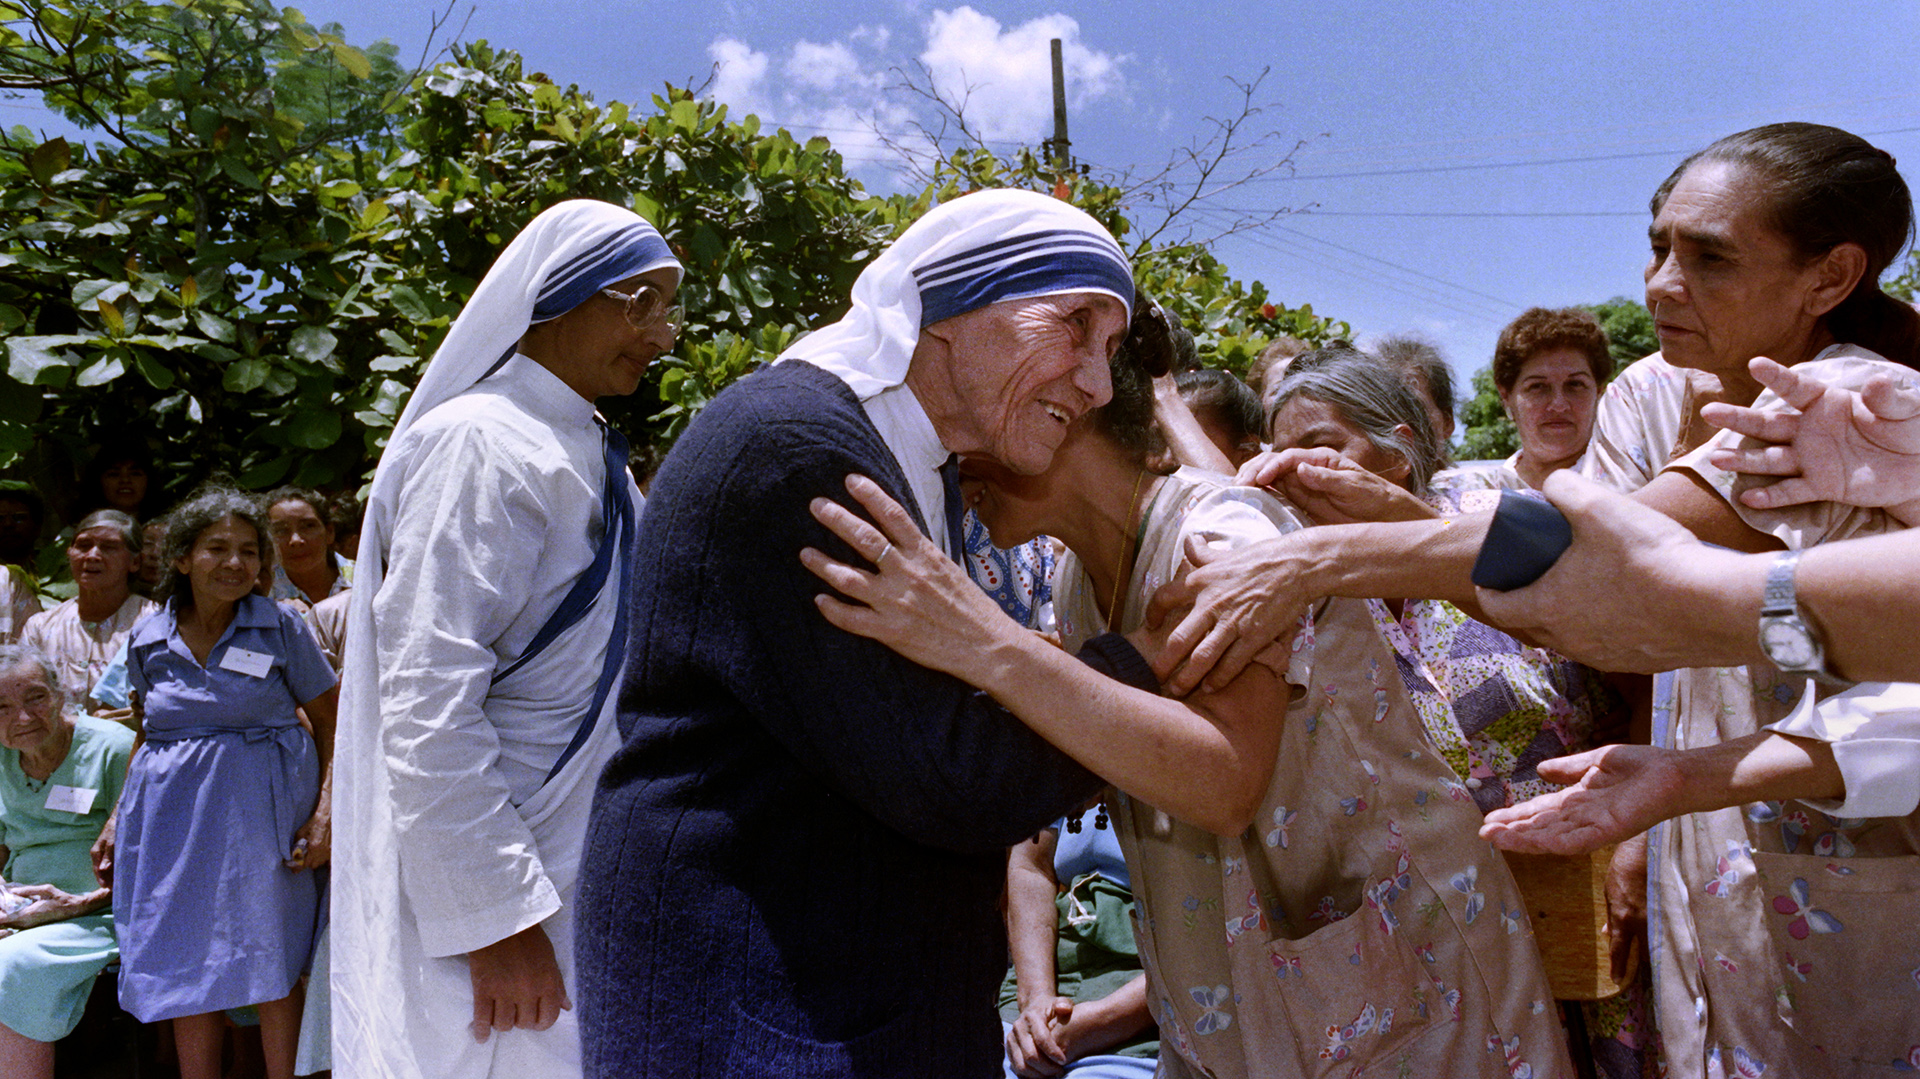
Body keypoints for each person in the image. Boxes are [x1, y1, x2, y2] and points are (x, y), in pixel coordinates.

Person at [1148, 122, 1920, 1078]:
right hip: (1772, 886)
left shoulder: (1830, 408)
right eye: (1658, 245)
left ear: (1831, 276)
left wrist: (1319, 559)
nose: (1660, 285)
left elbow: (1590, 570)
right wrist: (1393, 517)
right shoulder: (1729, 401)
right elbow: (1605, 571)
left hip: (1859, 920)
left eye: (1708, 257)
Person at [803, 343, 1573, 1078]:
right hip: (1235, 1005)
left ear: (1056, 418)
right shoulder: (1077, 587)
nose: (954, 466)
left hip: (1406, 982)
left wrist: (985, 644)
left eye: (965, 434)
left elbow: (1224, 782)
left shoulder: (1221, 531)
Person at [576, 189, 1161, 1078]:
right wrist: (1142, 662)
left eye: (1111, 349)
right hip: (763, 1012)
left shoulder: (890, 456)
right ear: (952, 308)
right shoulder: (797, 448)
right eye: (1075, 325)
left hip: (826, 997)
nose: (1097, 383)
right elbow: (954, 779)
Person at [331, 199, 681, 1079]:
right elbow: (429, 695)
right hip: (501, 898)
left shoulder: (584, 450)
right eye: (641, 302)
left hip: (579, 864)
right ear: (559, 296)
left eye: (669, 310)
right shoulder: (482, 445)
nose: (661, 334)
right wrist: (496, 920)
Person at [108, 486, 338, 1079]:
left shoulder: (282, 626)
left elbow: (336, 719)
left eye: (248, 551)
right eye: (217, 548)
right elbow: (148, 731)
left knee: (273, 953)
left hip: (264, 812)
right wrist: (115, 819)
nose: (235, 563)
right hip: (170, 818)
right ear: (182, 558)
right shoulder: (147, 635)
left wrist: (326, 811)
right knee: (184, 954)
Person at [0, 645, 133, 1079]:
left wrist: (77, 906)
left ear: (61, 695)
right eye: (2, 707)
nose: (21, 718)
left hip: (102, 912)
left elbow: (153, 859)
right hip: (19, 912)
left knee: (15, 964)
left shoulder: (113, 750)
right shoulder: (1, 760)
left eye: (35, 698)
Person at [1000, 806, 1155, 1079]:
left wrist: (1100, 1024)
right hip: (1046, 979)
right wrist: (1036, 1001)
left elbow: (1212, 944)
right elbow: (1031, 867)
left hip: (1154, 1008)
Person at [1442, 309, 1612, 493]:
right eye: (1538, 387)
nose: (1559, 405)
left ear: (1599, 392)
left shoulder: (1627, 481)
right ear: (1506, 397)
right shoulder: (1472, 491)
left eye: (1575, 384)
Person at [22, 510, 154, 715]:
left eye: (109, 547)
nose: (92, 555)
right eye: (83, 546)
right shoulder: (40, 626)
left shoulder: (155, 622)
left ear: (135, 562)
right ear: (69, 553)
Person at [263, 488, 353, 609]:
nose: (296, 540)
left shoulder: (365, 578)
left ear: (329, 532)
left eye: (308, 526)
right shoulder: (263, 591)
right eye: (280, 531)